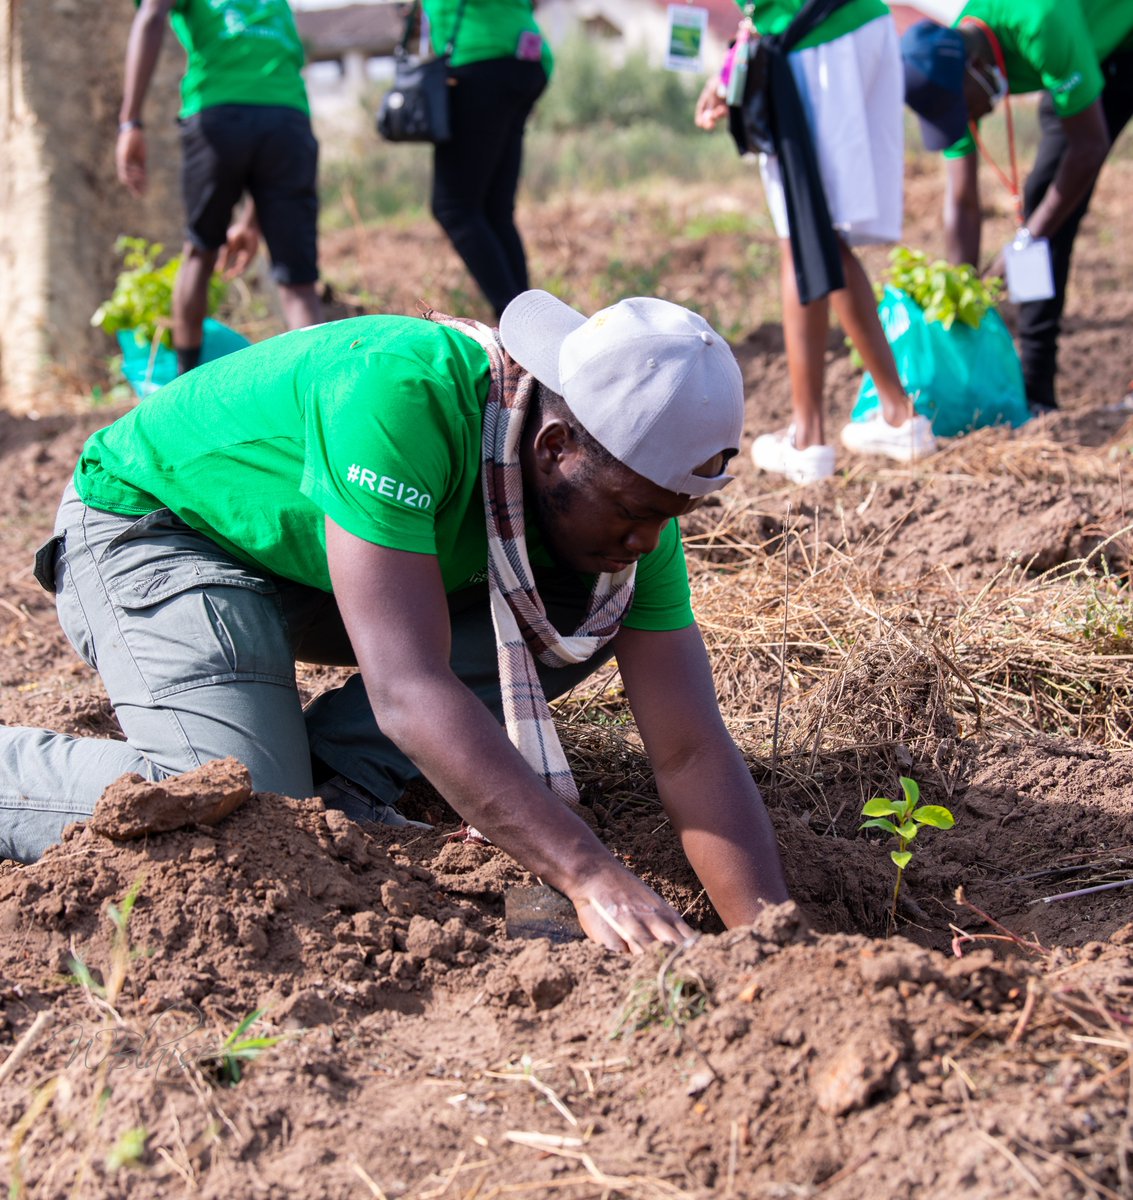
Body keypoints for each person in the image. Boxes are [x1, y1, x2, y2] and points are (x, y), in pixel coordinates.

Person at [0, 292, 790, 955]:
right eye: (633, 512)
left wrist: (772, 946)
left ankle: (336, 776)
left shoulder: (630, 509)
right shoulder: (399, 392)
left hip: (315, 567)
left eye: (670, 516)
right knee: (244, 816)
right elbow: (407, 685)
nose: (648, 541)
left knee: (586, 605)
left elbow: (689, 749)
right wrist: (587, 873)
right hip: (162, 529)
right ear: (555, 447)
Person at [695, 0, 936, 485]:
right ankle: (897, 415)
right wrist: (739, 55)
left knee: (800, 233)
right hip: (863, 21)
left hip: (809, 36)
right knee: (821, 231)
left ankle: (808, 439)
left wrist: (739, 55)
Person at [901, 4, 1133, 413]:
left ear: (976, 66)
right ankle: (1037, 391)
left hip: (1116, 35)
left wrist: (1025, 240)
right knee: (1045, 200)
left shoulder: (1039, 21)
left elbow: (1089, 146)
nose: (967, 119)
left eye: (964, 109)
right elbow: (962, 199)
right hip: (1082, 47)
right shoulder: (947, 66)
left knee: (1048, 206)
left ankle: (1037, 384)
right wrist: (963, 293)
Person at [116, 0, 323, 376]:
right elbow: (273, 92)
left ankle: (182, 388)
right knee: (299, 284)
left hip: (218, 116)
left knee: (200, 253)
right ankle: (320, 398)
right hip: (289, 121)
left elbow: (151, 15)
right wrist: (251, 222)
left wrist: (130, 123)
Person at [422, 0, 551, 319]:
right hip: (523, 56)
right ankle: (536, 325)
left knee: (455, 207)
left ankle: (521, 332)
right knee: (494, 210)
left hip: (478, 57)